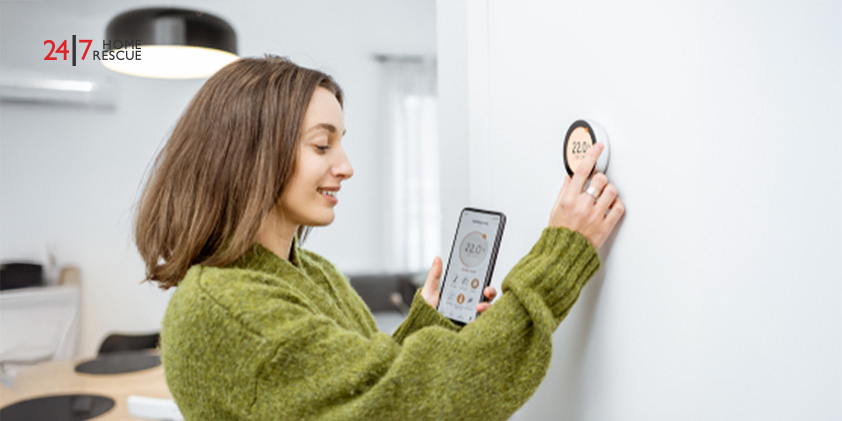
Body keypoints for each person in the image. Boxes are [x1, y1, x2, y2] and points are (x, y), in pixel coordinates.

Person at [134, 55, 624, 420]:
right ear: (250, 155)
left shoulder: (311, 271)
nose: (345, 166)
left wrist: (428, 327)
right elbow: (409, 402)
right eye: (322, 145)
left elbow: (362, 389)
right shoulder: (222, 309)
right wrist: (559, 257)